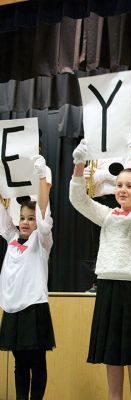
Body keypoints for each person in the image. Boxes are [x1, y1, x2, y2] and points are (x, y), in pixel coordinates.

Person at [69, 135, 131, 400]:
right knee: (112, 352)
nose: (122, 189)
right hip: (108, 286)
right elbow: (79, 200)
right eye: (119, 185)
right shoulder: (108, 216)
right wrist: (78, 164)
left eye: (129, 186)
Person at [0, 155, 55, 400]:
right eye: (22, 218)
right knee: (19, 363)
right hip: (13, 309)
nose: (25, 222)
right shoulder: (12, 238)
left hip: (34, 307)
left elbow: (44, 215)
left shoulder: (41, 241)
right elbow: (2, 217)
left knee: (36, 362)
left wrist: (42, 176)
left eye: (30, 219)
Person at [83, 157, 131, 292]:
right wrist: (106, 174)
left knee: (120, 241)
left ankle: (121, 281)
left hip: (118, 201)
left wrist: (100, 174)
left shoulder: (125, 151)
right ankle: (98, 281)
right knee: (98, 243)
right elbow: (90, 179)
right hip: (98, 200)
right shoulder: (96, 154)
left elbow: (123, 177)